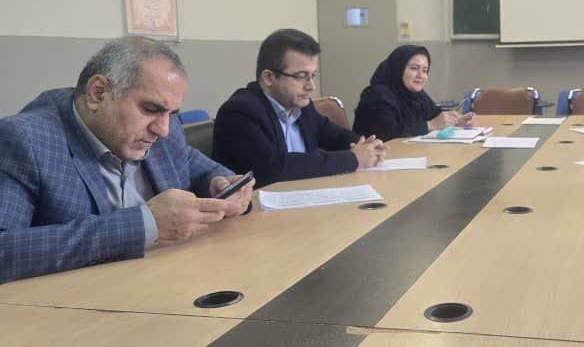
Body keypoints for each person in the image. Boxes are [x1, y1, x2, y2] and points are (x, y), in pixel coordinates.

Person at [0, 37, 254, 284]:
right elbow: (4, 250)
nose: (163, 129)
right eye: (150, 109)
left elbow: (203, 169)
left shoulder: (164, 128)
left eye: (172, 113)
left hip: (171, 281)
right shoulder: (24, 140)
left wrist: (221, 184)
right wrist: (145, 224)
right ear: (98, 93)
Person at [213, 29, 387, 188]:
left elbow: (334, 136)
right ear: (268, 78)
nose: (311, 86)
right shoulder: (240, 112)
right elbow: (274, 169)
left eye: (312, 76)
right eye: (301, 76)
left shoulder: (301, 106)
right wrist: (353, 158)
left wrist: (365, 145)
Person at [353, 45, 475, 141]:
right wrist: (430, 125)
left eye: (425, 70)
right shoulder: (377, 96)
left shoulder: (417, 95)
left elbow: (435, 114)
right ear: (398, 69)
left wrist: (457, 120)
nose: (420, 75)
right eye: (414, 68)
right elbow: (389, 133)